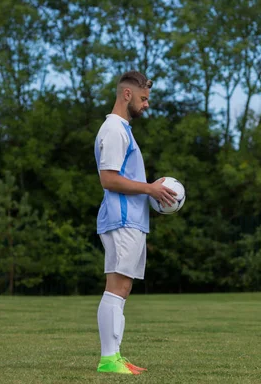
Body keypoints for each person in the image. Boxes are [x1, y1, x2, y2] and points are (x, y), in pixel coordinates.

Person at [93, 71, 177, 375]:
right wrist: (150, 188)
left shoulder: (122, 130)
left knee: (122, 287)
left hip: (131, 220)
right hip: (121, 219)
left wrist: (149, 192)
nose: (147, 104)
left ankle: (114, 356)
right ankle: (109, 360)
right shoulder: (114, 130)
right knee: (116, 287)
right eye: (144, 99)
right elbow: (109, 178)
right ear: (127, 95)